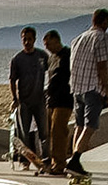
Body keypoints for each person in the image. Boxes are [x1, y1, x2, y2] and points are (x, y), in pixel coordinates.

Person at [65, 8, 108, 179]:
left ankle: (73, 163)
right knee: (90, 126)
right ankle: (75, 160)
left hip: (77, 87)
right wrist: (106, 89)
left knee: (79, 125)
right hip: (93, 87)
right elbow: (102, 66)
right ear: (104, 21)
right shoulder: (102, 37)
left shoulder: (78, 39)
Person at [8, 27, 48, 169]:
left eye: (29, 39)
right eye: (24, 39)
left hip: (40, 100)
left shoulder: (42, 56)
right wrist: (15, 98)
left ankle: (46, 159)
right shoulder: (17, 59)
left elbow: (51, 71)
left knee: (43, 132)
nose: (27, 42)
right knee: (24, 133)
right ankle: (24, 161)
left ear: (34, 39)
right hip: (24, 101)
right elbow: (12, 80)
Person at [42, 30, 72, 176]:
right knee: (51, 132)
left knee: (58, 131)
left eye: (48, 44)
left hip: (64, 99)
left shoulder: (67, 55)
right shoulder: (51, 58)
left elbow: (65, 76)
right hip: (52, 99)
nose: (47, 48)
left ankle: (60, 164)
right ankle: (55, 161)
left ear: (56, 41)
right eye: (45, 45)